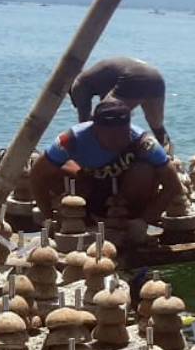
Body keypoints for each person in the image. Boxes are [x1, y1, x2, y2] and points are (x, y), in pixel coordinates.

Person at [30, 98, 180, 226]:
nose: (118, 140)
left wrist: (145, 221)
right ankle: (85, 217)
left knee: (144, 171)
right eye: (111, 136)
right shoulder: (72, 139)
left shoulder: (144, 142)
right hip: (90, 185)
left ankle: (129, 221)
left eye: (123, 134)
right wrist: (49, 217)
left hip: (128, 193)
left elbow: (173, 184)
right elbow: (37, 175)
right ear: (95, 128)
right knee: (55, 169)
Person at [69, 57, 170, 149]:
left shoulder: (78, 84)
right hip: (155, 76)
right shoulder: (96, 75)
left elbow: (84, 123)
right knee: (157, 126)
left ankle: (117, 155)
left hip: (134, 75)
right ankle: (168, 154)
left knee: (105, 117)